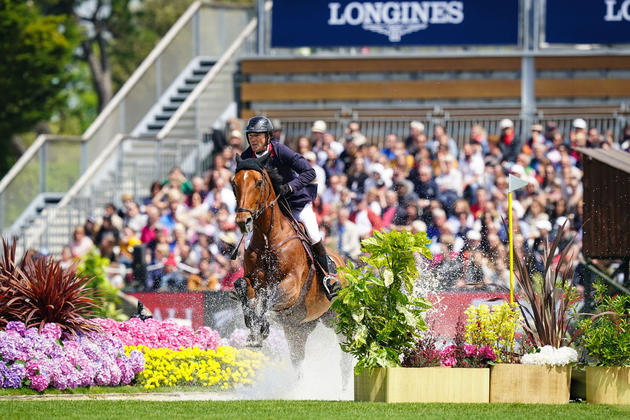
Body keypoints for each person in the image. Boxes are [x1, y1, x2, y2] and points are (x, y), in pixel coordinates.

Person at [239, 116, 341, 298]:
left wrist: (291, 186)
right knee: (248, 242)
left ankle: (328, 277)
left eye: (258, 135)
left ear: (268, 137)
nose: (254, 139)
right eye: (251, 135)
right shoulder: (247, 157)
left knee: (314, 234)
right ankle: (247, 282)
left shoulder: (279, 150)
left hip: (296, 203)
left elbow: (310, 172)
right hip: (270, 210)